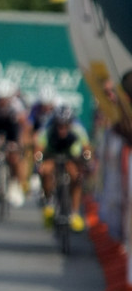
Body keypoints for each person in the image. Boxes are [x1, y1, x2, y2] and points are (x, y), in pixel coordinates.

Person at [35, 99, 91, 233]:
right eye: (60, 125)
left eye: (65, 125)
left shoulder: (77, 129)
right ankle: (49, 202)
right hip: (53, 154)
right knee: (46, 171)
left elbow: (86, 147)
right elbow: (39, 147)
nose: (62, 129)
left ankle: (75, 212)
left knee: (76, 177)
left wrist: (87, 158)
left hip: (71, 156)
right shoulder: (48, 128)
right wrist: (38, 159)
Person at [0, 78, 31, 207]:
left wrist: (19, 144)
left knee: (14, 155)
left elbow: (23, 127)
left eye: (5, 99)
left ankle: (14, 184)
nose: (2, 101)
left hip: (12, 128)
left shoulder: (16, 105)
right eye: (0, 99)